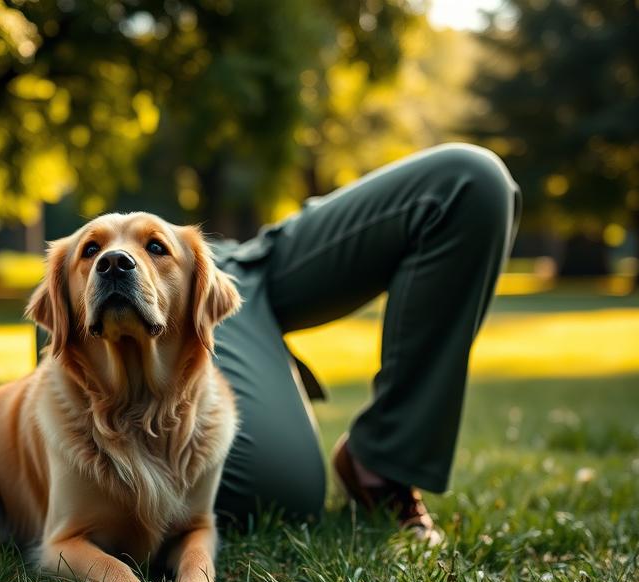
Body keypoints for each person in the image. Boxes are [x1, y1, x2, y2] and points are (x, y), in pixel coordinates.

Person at [208, 143, 522, 539]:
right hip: (150, 286)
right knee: (273, 490)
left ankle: (383, 459)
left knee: (469, 183)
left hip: (231, 261)